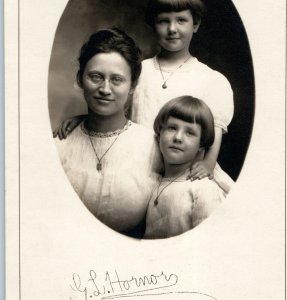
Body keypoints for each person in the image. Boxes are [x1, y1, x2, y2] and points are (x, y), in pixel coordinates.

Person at [54, 0, 234, 189]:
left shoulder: (211, 79)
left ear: (195, 24)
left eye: (181, 20)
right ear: (153, 25)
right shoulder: (138, 71)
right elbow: (114, 106)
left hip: (184, 171)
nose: (172, 29)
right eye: (164, 21)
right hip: (138, 166)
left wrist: (208, 163)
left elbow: (214, 130)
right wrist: (83, 120)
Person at [54, 28, 161, 238]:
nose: (104, 88)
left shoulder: (153, 147)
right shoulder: (60, 144)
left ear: (132, 86)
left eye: (117, 79)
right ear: (80, 79)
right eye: (95, 77)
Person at [144, 96, 224, 239]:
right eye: (172, 128)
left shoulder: (203, 189)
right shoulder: (154, 182)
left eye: (190, 133)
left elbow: (209, 242)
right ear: (159, 133)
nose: (178, 137)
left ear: (201, 145)